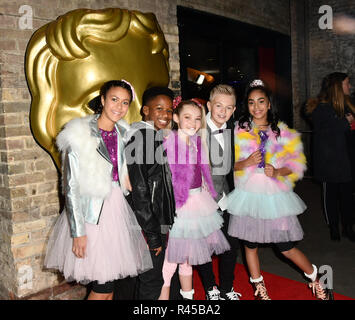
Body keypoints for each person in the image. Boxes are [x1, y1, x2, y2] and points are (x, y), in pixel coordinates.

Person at [44, 80, 152, 300]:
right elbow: (71, 187)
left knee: (108, 287)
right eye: (114, 100)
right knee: (102, 288)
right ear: (102, 100)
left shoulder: (124, 133)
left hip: (116, 212)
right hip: (91, 215)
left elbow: (123, 169)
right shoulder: (79, 134)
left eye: (125, 103)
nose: (119, 107)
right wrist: (78, 231)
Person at [227, 79, 333, 300]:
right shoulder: (238, 130)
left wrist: (276, 171)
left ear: (268, 105)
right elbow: (225, 165)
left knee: (285, 247)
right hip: (247, 196)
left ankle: (316, 279)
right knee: (250, 244)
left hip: (274, 197)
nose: (256, 107)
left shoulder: (282, 132)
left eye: (261, 101)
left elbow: (295, 166)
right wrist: (244, 163)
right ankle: (260, 289)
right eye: (251, 102)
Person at [158, 99, 231, 300]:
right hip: (180, 207)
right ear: (176, 118)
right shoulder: (168, 143)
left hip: (199, 201)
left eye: (198, 119)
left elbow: (201, 171)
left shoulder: (198, 142)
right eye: (187, 118)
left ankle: (187, 300)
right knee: (171, 260)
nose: (193, 123)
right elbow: (167, 181)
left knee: (188, 259)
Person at [125, 86, 177, 300]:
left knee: (156, 278)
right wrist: (153, 234)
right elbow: (139, 190)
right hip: (149, 224)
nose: (165, 115)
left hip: (158, 220)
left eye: (169, 110)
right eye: (159, 109)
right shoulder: (141, 138)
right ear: (145, 110)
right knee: (151, 280)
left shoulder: (155, 136)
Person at [194, 84, 241, 300]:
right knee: (204, 247)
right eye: (219, 106)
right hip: (202, 200)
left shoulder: (231, 132)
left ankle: (226, 288)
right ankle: (211, 289)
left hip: (226, 197)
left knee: (232, 245)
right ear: (209, 105)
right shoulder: (197, 132)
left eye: (229, 107)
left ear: (233, 110)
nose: (223, 111)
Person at [306, 72, 355, 242]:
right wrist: (344, 123)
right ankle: (333, 227)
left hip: (347, 160)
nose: (349, 86)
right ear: (338, 87)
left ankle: (348, 227)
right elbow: (324, 130)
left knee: (348, 197)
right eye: (347, 83)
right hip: (330, 162)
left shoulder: (349, 105)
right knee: (331, 196)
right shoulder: (322, 108)